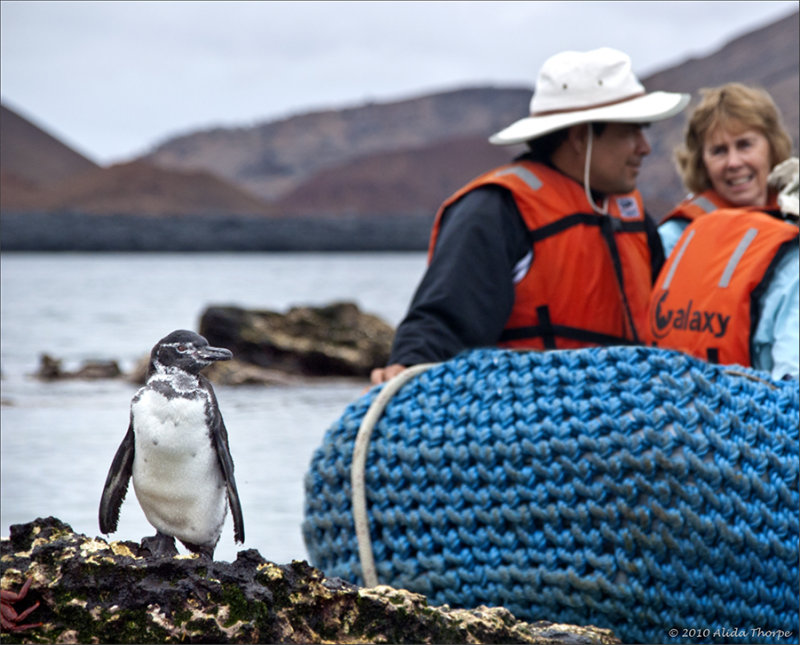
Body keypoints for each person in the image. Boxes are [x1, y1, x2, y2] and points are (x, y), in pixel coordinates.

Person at [370, 47, 690, 385]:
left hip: (632, 420)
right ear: (581, 137)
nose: (644, 147)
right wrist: (408, 366)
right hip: (530, 421)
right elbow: (441, 323)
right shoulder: (497, 209)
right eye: (630, 131)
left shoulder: (633, 217)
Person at [648, 157, 799, 381]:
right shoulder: (792, 263)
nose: (734, 162)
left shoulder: (693, 233)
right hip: (752, 408)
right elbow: (792, 380)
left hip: (675, 398)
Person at [658, 83, 793, 257]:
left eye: (744, 145)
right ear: (701, 162)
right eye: (719, 151)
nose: (733, 163)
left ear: (772, 146)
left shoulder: (792, 214)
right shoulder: (675, 240)